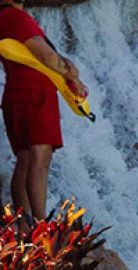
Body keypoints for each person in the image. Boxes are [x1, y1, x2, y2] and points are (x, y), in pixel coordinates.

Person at [0, 0, 87, 223]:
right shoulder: (17, 18)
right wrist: (73, 76)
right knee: (40, 160)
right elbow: (46, 56)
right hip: (34, 93)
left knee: (26, 159)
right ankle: (41, 226)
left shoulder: (4, 17)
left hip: (16, 91)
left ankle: (24, 224)